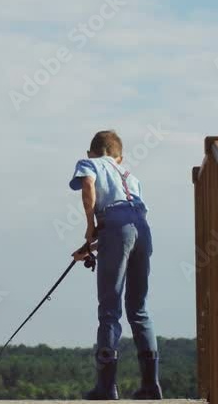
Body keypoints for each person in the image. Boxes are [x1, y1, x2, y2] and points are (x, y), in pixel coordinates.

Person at [70, 130, 162, 400]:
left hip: (114, 225)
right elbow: (128, 229)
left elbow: (88, 186)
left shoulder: (89, 164)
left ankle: (107, 386)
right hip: (142, 230)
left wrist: (90, 226)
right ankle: (151, 385)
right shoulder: (131, 177)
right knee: (139, 309)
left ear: (91, 153)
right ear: (119, 157)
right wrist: (91, 247)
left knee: (109, 310)